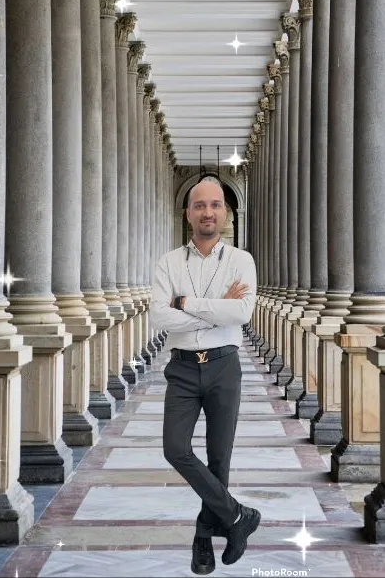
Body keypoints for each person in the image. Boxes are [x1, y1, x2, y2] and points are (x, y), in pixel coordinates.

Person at [150, 176, 261, 576]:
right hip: (181, 367)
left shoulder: (240, 260)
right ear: (188, 213)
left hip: (224, 365)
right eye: (200, 205)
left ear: (226, 213)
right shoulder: (168, 262)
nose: (208, 212)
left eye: (215, 204)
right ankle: (238, 515)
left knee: (219, 458)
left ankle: (203, 538)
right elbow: (161, 316)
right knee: (175, 449)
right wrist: (216, 306)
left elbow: (241, 313)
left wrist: (189, 303)